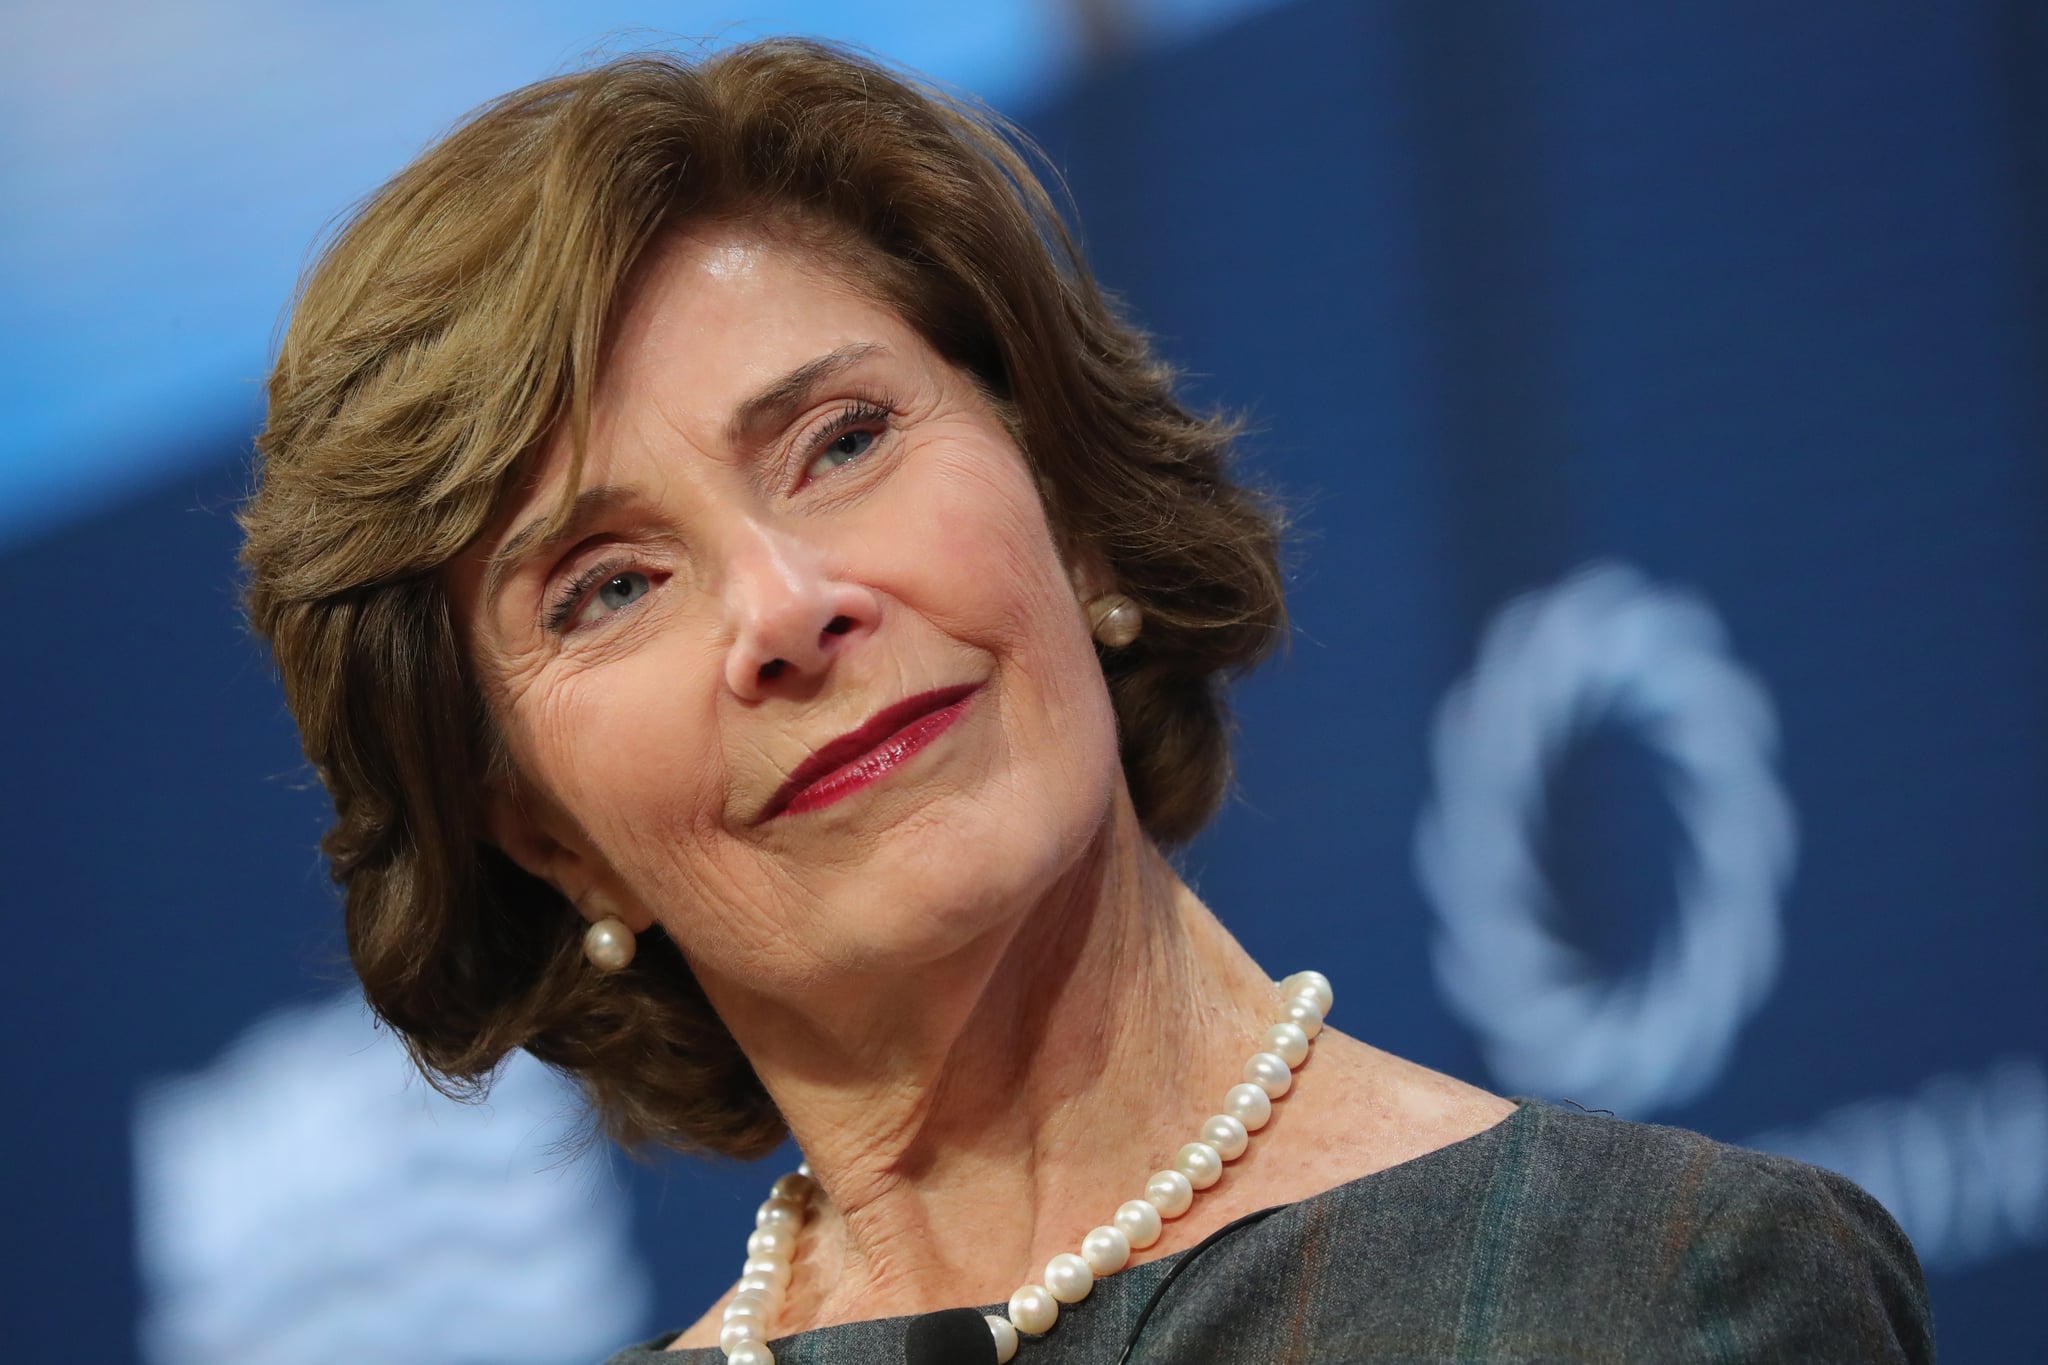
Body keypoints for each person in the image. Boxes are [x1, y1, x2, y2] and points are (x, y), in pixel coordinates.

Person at [239, 38, 1935, 1365]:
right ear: (544, 833)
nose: (784, 608)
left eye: (841, 441)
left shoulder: (1653, 1299)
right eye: (608, 585)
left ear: (1067, 500)